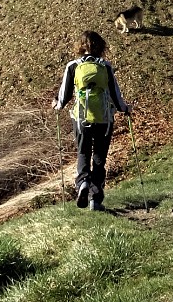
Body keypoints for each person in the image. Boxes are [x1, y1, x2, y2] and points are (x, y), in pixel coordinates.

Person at [53, 30, 130, 211]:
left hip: (81, 119)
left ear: (81, 46)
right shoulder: (105, 66)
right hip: (104, 120)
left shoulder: (73, 66)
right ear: (100, 46)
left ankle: (82, 184)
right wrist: (125, 109)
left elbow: (64, 96)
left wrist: (57, 105)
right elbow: (115, 95)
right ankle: (96, 199)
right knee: (99, 158)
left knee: (83, 153)